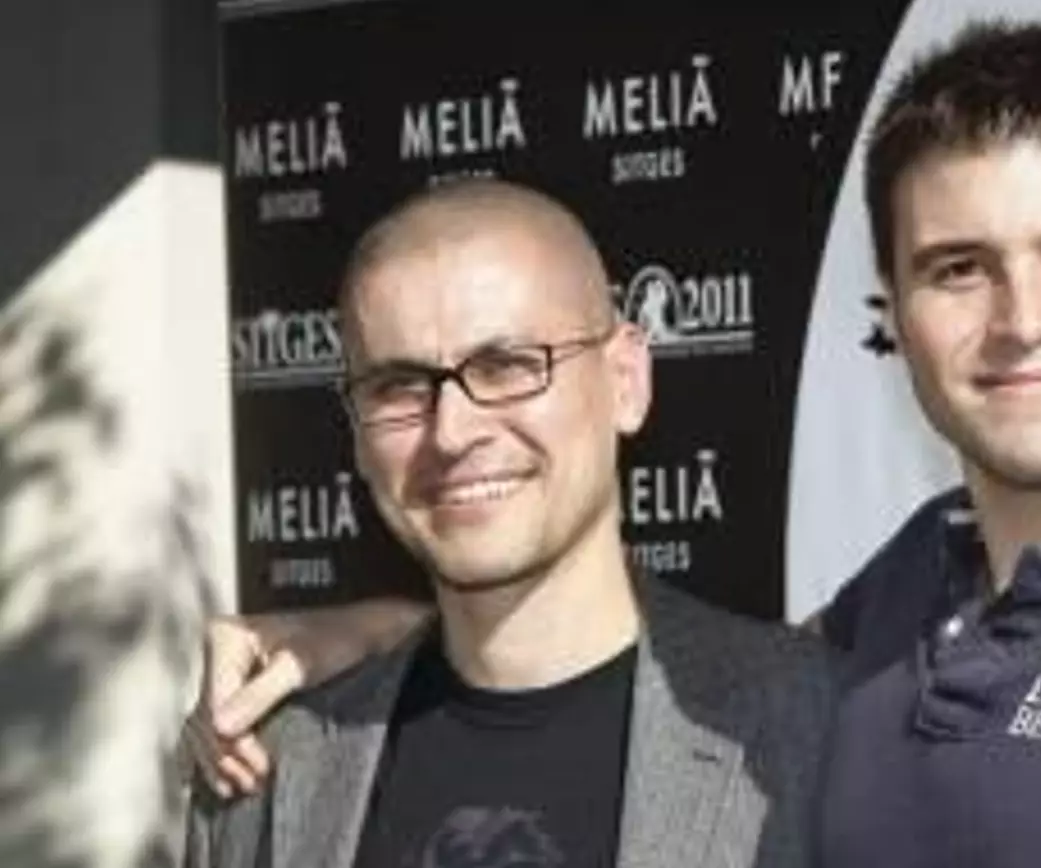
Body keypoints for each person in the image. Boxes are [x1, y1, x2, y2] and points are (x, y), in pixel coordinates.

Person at [187, 21, 1041, 866]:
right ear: (895, 310)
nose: (1022, 319)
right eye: (958, 268)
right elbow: (610, 652)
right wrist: (351, 644)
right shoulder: (905, 604)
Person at [182, 180, 833, 868]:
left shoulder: (812, 726)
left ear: (626, 380)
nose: (452, 431)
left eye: (506, 367)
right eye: (398, 386)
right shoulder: (265, 765)